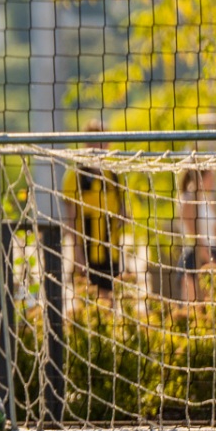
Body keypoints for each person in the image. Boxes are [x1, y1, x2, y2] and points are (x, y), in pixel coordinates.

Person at [62, 119, 127, 298]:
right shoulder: (75, 175)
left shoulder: (113, 175)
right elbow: (70, 223)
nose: (102, 146)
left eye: (104, 142)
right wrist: (77, 256)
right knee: (87, 304)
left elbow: (122, 216)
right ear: (86, 144)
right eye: (96, 141)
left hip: (111, 254)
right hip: (86, 253)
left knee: (109, 304)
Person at [176, 167, 216, 303]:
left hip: (212, 254)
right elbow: (192, 233)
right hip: (194, 255)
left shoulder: (210, 199)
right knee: (192, 305)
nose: (213, 182)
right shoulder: (187, 199)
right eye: (210, 178)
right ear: (201, 179)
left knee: (211, 304)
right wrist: (206, 257)